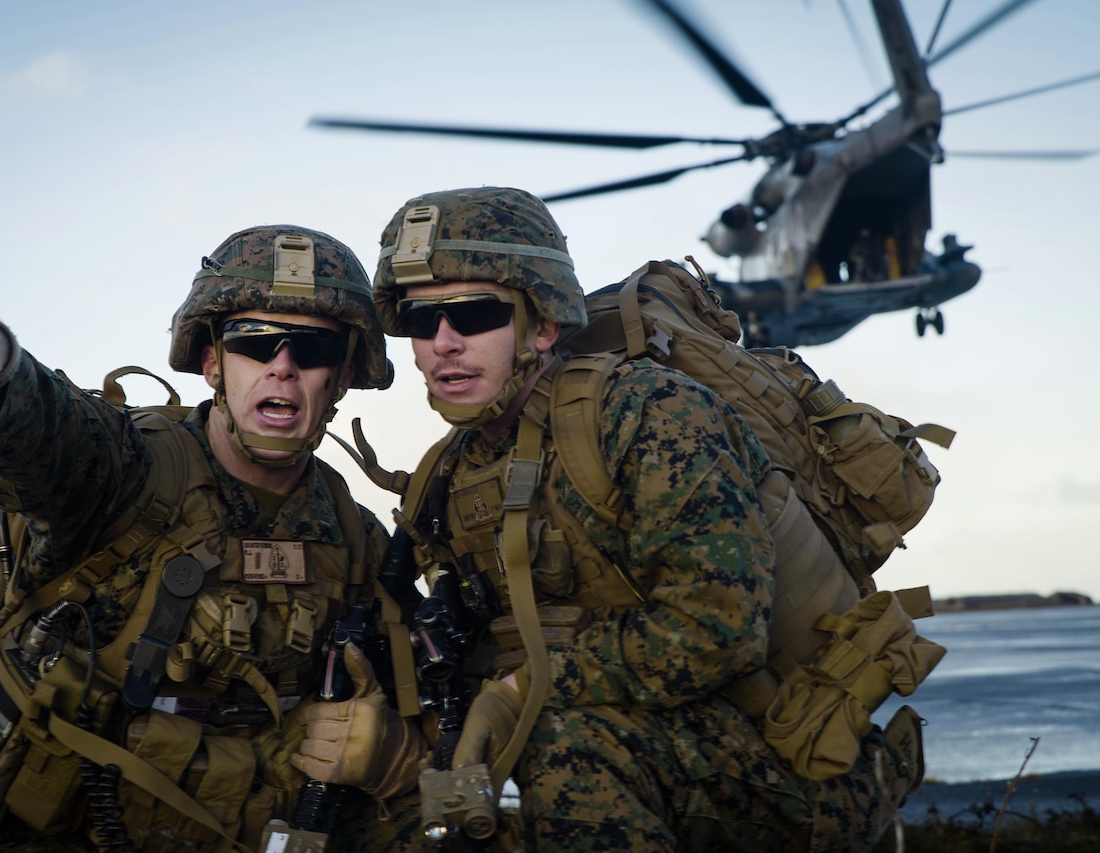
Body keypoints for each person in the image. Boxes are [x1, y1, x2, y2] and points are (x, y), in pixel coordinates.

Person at [0, 225, 426, 853]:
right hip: (22, 821)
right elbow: (50, 440)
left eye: (312, 348)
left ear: (341, 377)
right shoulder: (128, 469)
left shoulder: (354, 536)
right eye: (254, 341)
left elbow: (421, 684)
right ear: (213, 363)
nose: (281, 364)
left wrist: (395, 753)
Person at [369, 186, 922, 851]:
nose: (443, 343)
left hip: (787, 756)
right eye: (420, 321)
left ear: (543, 323)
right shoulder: (451, 471)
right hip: (646, 751)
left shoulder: (646, 411)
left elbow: (718, 624)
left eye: (475, 313)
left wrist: (521, 690)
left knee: (566, 743)